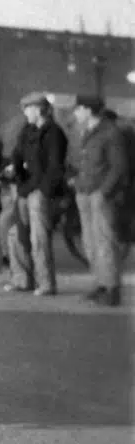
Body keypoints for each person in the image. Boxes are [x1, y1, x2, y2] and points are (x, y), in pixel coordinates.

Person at [5, 92, 68, 296]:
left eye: (29, 109)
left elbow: (55, 167)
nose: (25, 113)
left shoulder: (54, 133)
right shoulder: (27, 131)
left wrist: (42, 191)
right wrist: (16, 172)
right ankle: (21, 279)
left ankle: (46, 283)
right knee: (15, 232)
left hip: (41, 192)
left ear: (40, 110)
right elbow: (17, 154)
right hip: (25, 189)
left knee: (38, 236)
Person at [72, 95, 130, 307]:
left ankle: (111, 289)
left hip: (101, 196)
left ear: (88, 110)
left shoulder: (110, 133)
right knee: (90, 244)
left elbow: (119, 166)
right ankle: (100, 284)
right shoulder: (87, 133)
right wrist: (77, 182)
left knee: (105, 242)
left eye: (78, 109)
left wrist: (103, 192)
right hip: (85, 193)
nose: (75, 113)